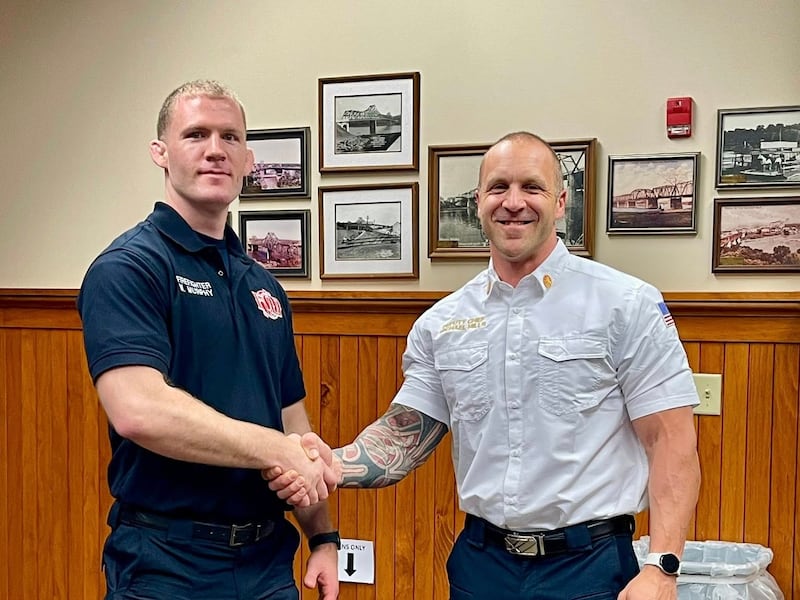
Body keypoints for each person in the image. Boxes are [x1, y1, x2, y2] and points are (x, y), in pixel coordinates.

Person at [269, 131, 701, 600]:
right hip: (481, 565)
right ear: (478, 202)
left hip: (589, 568)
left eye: (531, 187)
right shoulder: (442, 323)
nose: (513, 202)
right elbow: (404, 434)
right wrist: (334, 463)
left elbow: (671, 440)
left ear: (560, 203)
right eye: (498, 188)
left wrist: (662, 566)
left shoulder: (626, 304)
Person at [78, 80, 339, 600]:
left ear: (248, 161)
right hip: (167, 564)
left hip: (268, 563)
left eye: (230, 137)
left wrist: (322, 536)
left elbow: (292, 424)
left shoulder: (264, 286)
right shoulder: (129, 268)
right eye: (196, 134)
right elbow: (139, 411)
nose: (215, 149)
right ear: (161, 152)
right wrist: (276, 450)